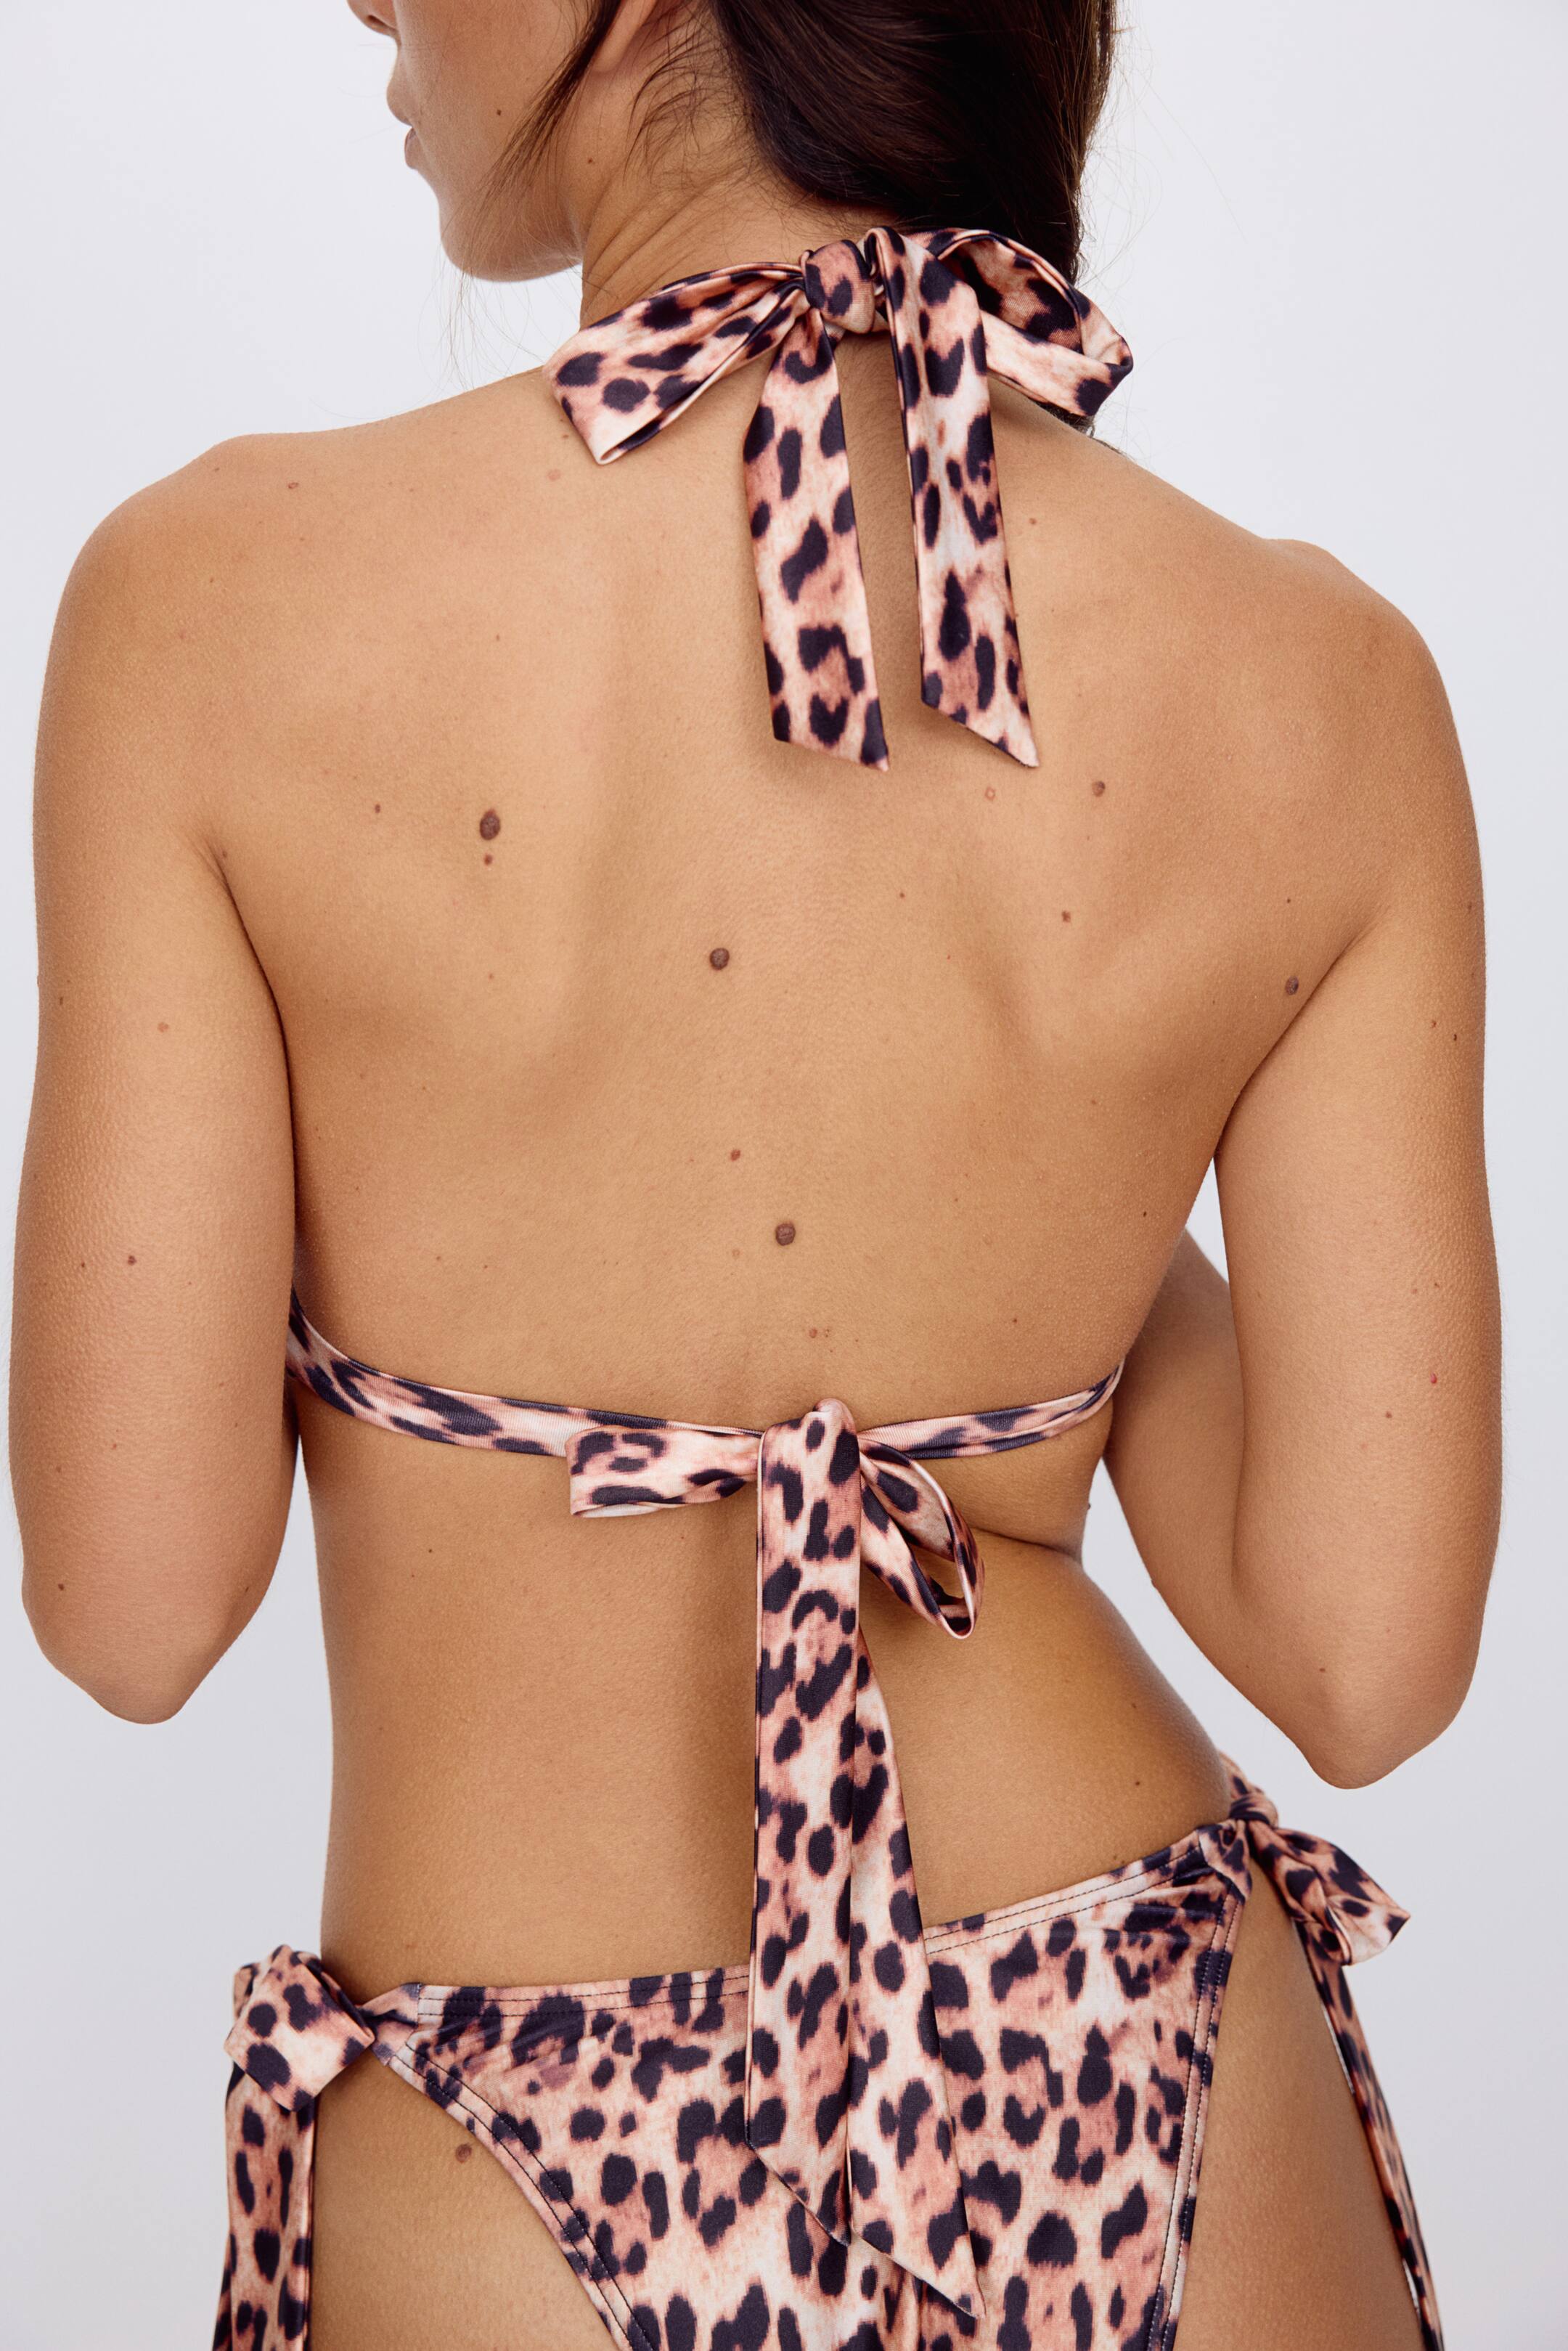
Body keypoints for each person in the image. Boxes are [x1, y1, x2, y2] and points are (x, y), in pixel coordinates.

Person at [10, 3, 1499, 2346]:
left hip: (515, 2136)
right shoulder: (1323, 677)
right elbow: (1361, 1651)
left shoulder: (208, 604)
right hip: (1148, 2066)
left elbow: (135, 1600)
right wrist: (1015, 1211)